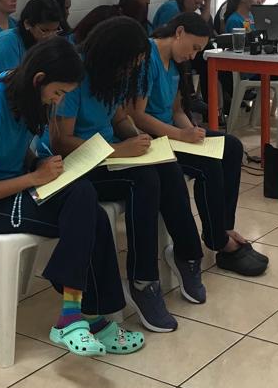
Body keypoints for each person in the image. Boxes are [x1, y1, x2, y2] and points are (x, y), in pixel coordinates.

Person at [0, 37, 143, 356]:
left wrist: (38, 164)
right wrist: (34, 177)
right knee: (88, 212)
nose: (58, 101)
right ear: (39, 79)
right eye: (58, 93)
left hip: (15, 186)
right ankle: (78, 317)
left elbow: (17, 149)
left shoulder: (26, 93)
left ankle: (85, 315)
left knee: (88, 206)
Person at [52, 17, 202, 331]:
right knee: (144, 180)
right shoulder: (75, 77)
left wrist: (138, 138)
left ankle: (188, 255)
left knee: (167, 166)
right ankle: (143, 280)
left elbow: (119, 117)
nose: (131, 71)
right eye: (129, 65)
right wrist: (118, 150)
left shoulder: (116, 76)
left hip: (112, 155)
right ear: (111, 57)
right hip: (82, 166)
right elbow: (62, 141)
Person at [129, 13, 268, 277]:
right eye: (193, 48)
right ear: (179, 32)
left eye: (198, 51)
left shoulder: (176, 62)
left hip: (172, 133)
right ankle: (218, 241)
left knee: (231, 147)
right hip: (152, 139)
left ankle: (224, 227)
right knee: (208, 164)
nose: (193, 56)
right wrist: (181, 136)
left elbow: (176, 110)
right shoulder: (147, 58)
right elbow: (137, 116)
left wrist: (191, 131)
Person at [0, 0, 63, 76]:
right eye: (45, 30)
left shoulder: (48, 43)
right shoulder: (7, 42)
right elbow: (9, 81)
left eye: (56, 30)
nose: (51, 37)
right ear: (27, 24)